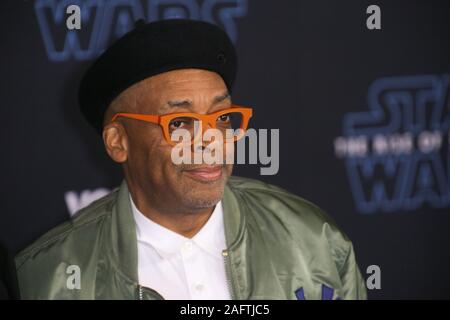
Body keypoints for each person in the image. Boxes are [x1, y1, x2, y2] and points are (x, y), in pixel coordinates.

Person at [15, 19, 366, 300]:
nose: (210, 140)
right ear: (118, 141)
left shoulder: (314, 240)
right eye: (180, 123)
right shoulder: (48, 279)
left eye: (222, 118)